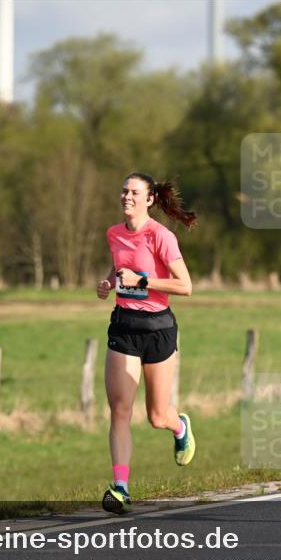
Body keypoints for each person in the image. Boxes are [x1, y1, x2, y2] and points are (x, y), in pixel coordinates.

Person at [96, 173, 197, 514]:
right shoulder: (114, 233)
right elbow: (119, 264)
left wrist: (144, 280)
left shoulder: (161, 236)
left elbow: (185, 286)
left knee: (156, 416)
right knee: (120, 410)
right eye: (123, 190)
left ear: (150, 198)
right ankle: (120, 486)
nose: (126, 196)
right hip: (124, 326)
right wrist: (109, 283)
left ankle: (179, 425)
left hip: (158, 328)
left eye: (134, 192)